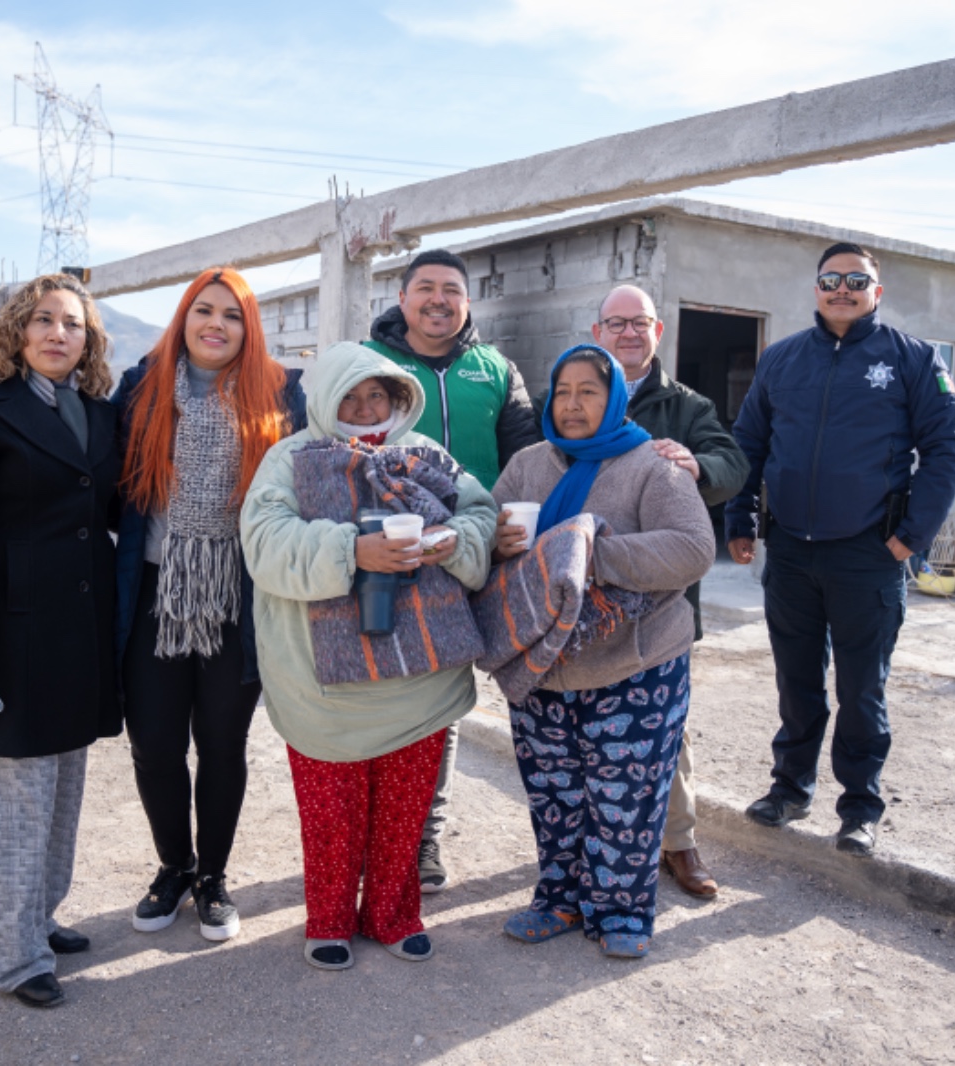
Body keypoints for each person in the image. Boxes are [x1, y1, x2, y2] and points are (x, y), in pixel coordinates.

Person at [240, 340, 497, 970]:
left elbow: (481, 513)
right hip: (325, 685)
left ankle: (393, 914)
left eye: (375, 394)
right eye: (348, 395)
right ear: (323, 398)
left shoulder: (426, 456)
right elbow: (265, 542)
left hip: (419, 679)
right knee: (333, 812)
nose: (362, 406)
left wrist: (452, 539)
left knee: (405, 809)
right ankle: (328, 919)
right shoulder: (290, 460)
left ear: (397, 398)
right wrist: (352, 549)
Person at [726, 241, 955, 857]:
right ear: (816, 289)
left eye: (855, 280)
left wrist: (910, 537)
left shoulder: (913, 360)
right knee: (797, 681)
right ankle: (790, 789)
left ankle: (860, 806)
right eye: (830, 279)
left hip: (868, 554)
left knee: (862, 687)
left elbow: (947, 449)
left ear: (876, 292)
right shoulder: (781, 361)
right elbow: (748, 445)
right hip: (792, 553)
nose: (842, 289)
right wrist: (741, 518)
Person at [0, 272, 122, 1009]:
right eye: (42, 320)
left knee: (64, 790)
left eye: (72, 325)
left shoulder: (95, 415)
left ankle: (37, 917)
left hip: (79, 634)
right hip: (6, 637)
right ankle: (12, 954)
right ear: (17, 331)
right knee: (19, 800)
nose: (57, 334)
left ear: (88, 341)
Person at [491, 344, 718, 959]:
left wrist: (588, 552)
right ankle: (559, 899)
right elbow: (491, 538)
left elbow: (694, 549)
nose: (572, 404)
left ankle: (622, 911)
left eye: (588, 391)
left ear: (614, 396)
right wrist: (501, 541)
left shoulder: (653, 465)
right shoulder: (527, 466)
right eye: (562, 391)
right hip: (543, 666)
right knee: (555, 794)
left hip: (634, 664)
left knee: (626, 801)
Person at [110, 268, 305, 943]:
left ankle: (213, 877)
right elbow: (103, 481)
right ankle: (174, 866)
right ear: (183, 318)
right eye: (203, 310)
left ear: (249, 327)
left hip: (237, 597)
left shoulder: (282, 392)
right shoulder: (140, 387)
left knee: (222, 744)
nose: (216, 324)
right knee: (155, 746)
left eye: (232, 314)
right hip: (154, 594)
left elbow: (312, 477)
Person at [364, 247, 541, 894]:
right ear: (403, 298)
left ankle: (422, 837)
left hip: (465, 560)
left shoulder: (494, 369)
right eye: (426, 289)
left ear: (468, 302)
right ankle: (372, 830)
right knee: (379, 695)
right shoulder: (370, 362)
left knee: (441, 705)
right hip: (381, 554)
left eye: (453, 291)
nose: (439, 300)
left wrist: (516, 522)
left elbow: (525, 457)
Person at [589, 283, 749, 900]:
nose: (630, 333)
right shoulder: (573, 394)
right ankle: (593, 845)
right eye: (617, 323)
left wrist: (698, 465)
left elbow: (732, 464)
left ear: (659, 333)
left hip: (661, 600)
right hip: (585, 595)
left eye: (641, 323)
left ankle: (677, 842)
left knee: (664, 730)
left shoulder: (687, 407)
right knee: (586, 727)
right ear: (597, 330)